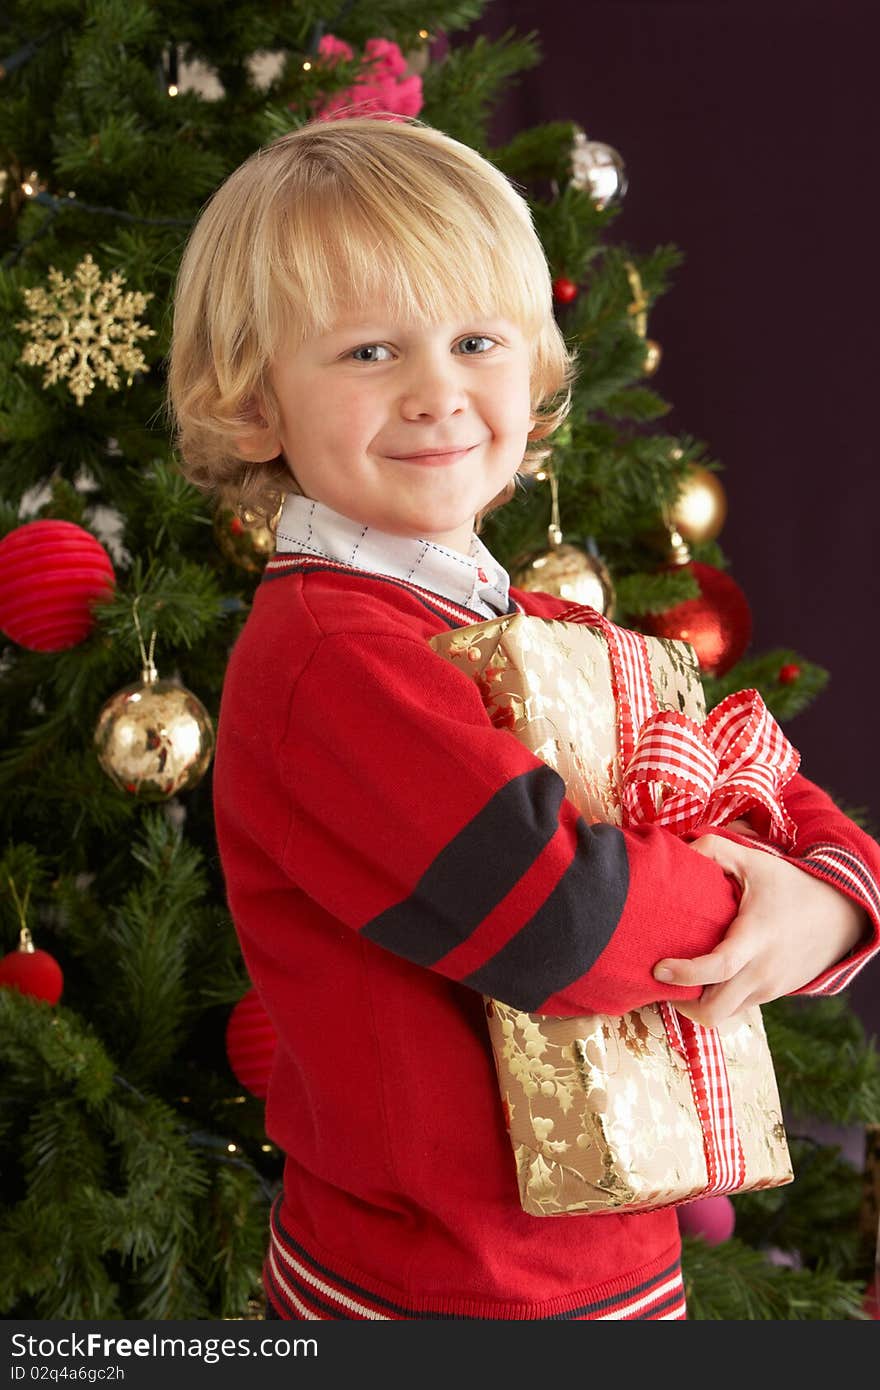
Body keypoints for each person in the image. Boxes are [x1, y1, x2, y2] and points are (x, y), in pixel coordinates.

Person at [167, 116, 880, 1321]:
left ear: (534, 373)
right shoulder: (332, 659)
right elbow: (559, 915)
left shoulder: (555, 626)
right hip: (436, 1288)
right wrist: (759, 897)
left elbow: (768, 791)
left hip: (612, 1262)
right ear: (252, 407)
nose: (437, 392)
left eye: (475, 340)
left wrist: (828, 894)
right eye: (370, 352)